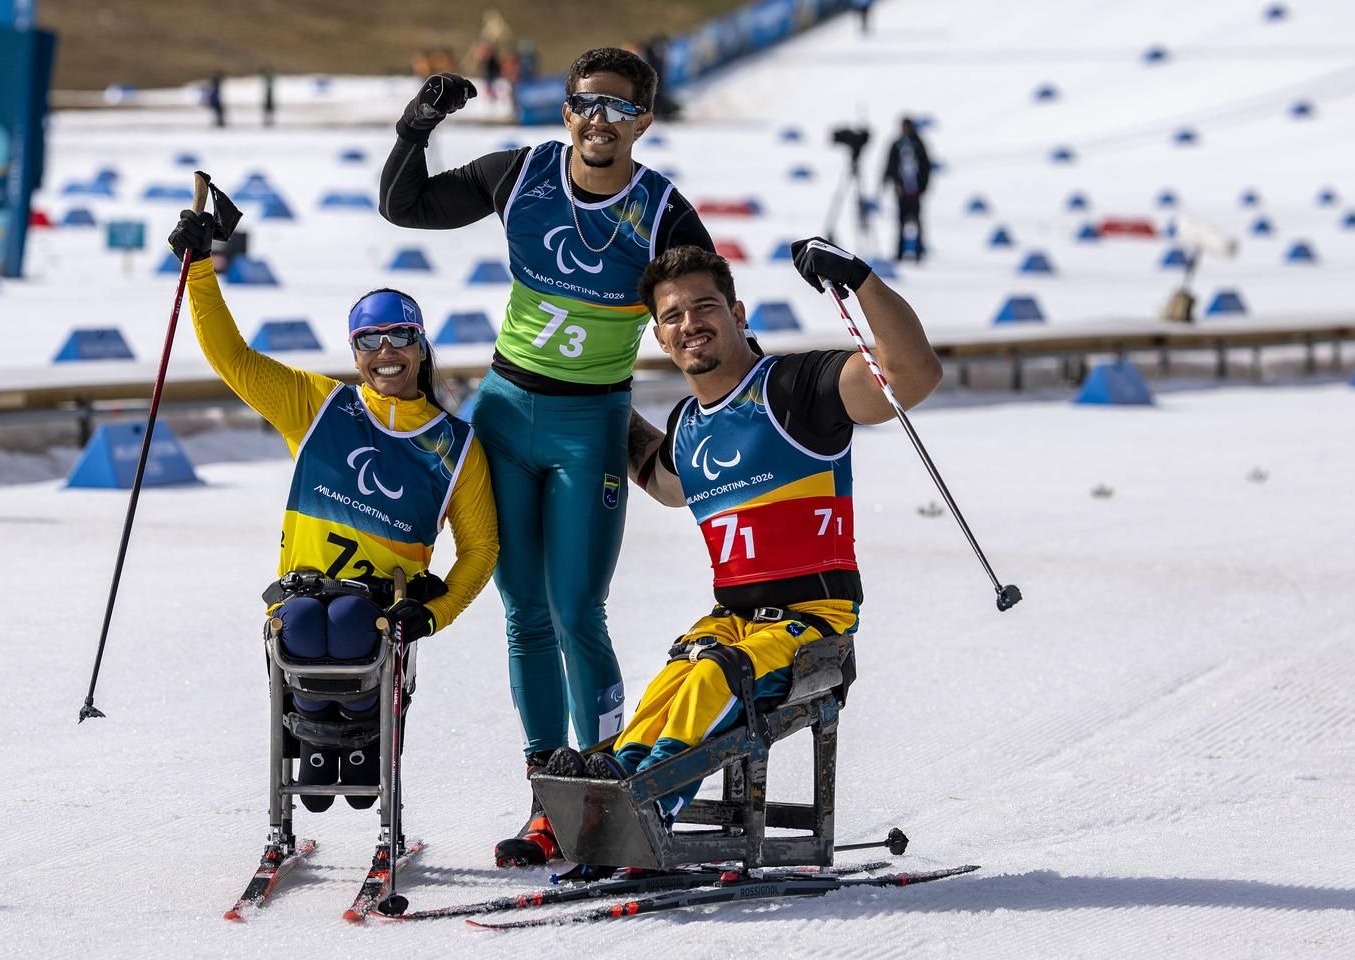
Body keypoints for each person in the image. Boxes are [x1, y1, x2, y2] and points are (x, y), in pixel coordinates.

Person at [379, 46, 715, 866]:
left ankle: (603, 789)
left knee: (575, 610)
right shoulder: (521, 174)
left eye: (620, 109)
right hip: (505, 416)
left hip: (589, 428)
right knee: (524, 612)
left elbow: (705, 312)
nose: (601, 121)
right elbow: (404, 206)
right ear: (567, 111)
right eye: (587, 104)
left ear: (643, 122)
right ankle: (545, 799)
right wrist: (417, 126)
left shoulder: (663, 212)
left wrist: (747, 405)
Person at [543, 239, 942, 829]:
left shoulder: (795, 388)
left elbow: (914, 376)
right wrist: (593, 396)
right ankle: (610, 782)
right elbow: (663, 480)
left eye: (704, 306)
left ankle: (645, 806)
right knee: (675, 680)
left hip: (814, 625)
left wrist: (859, 279)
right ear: (660, 338)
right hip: (732, 623)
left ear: (736, 314)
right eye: (673, 316)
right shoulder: (688, 424)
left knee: (714, 676)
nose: (690, 324)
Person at [167, 204, 498, 813]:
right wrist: (201, 269)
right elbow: (234, 359)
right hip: (304, 594)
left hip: (377, 609)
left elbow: (481, 549)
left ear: (421, 345)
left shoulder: (455, 445)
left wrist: (434, 615)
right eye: (369, 340)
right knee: (299, 624)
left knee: (349, 621)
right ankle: (317, 742)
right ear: (355, 351)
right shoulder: (318, 406)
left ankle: (356, 741)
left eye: (401, 336)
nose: (386, 351)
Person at [882, 117, 932, 261]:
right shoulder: (896, 144)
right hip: (901, 191)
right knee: (900, 223)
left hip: (915, 191)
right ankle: (899, 252)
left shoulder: (919, 144)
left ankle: (918, 251)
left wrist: (923, 186)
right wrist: (888, 180)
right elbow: (890, 164)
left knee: (917, 222)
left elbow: (926, 166)